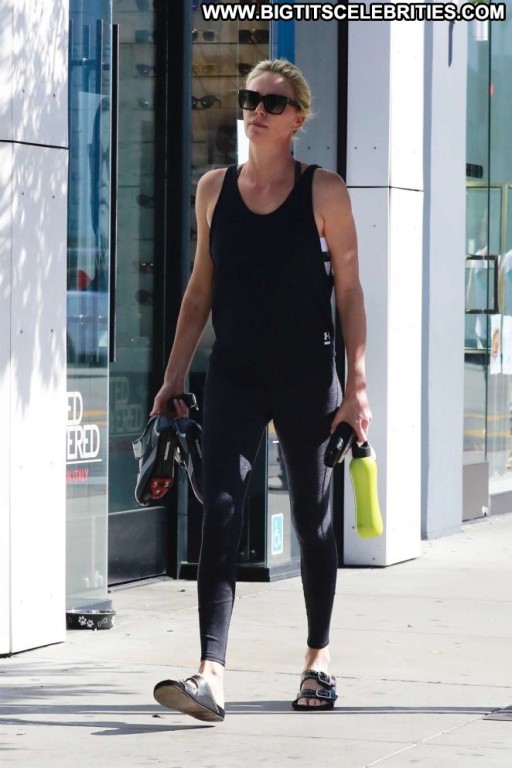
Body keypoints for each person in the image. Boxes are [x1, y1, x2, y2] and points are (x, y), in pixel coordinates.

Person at [150, 59, 371, 722]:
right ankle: (210, 675)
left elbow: (350, 291)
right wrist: (172, 377)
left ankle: (318, 659)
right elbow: (200, 291)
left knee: (312, 518)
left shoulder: (323, 190)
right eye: (250, 99)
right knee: (219, 509)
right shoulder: (213, 189)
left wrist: (356, 386)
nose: (257, 111)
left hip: (309, 376)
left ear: (298, 118)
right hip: (235, 375)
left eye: (273, 103)